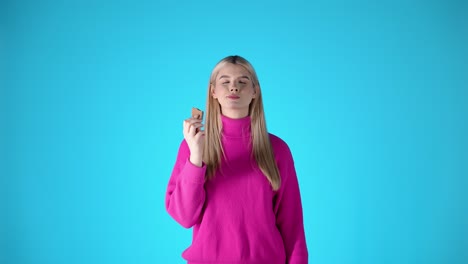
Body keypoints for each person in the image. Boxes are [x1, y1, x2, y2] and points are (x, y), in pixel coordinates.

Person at [165, 55, 308, 264]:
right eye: (225, 82)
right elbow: (184, 217)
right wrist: (196, 157)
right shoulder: (192, 146)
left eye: (242, 82)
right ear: (213, 91)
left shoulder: (277, 149)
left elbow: (293, 225)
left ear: (255, 92)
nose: (234, 88)